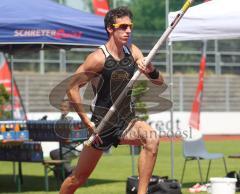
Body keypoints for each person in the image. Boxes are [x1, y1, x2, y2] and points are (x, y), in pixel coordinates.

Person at [60, 6, 165, 194]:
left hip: (127, 121)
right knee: (77, 178)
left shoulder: (132, 51)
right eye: (123, 27)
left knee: (152, 139)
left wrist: (150, 69)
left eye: (130, 26)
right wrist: (86, 121)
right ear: (110, 28)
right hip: (102, 124)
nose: (128, 31)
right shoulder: (97, 59)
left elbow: (159, 82)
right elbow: (71, 87)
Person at [50, 100, 82, 182]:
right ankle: (67, 172)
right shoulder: (61, 119)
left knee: (56, 154)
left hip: (73, 148)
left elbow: (75, 136)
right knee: (54, 153)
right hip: (65, 148)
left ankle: (68, 172)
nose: (62, 108)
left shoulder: (72, 119)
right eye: (61, 106)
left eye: (65, 106)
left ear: (69, 109)